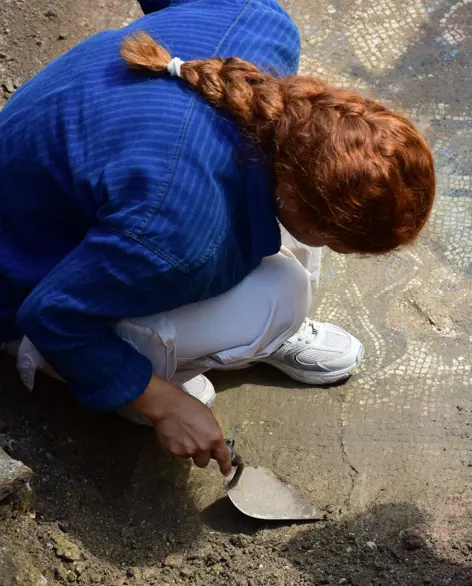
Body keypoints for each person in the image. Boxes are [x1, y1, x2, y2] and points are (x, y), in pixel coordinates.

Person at [0, 0, 435, 477]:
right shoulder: (181, 237)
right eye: (338, 240)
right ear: (292, 194)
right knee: (283, 292)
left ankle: (210, 342)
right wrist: (160, 401)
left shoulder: (259, 18)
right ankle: (141, 373)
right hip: (22, 281)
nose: (338, 249)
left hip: (53, 191)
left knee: (285, 255)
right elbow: (51, 315)